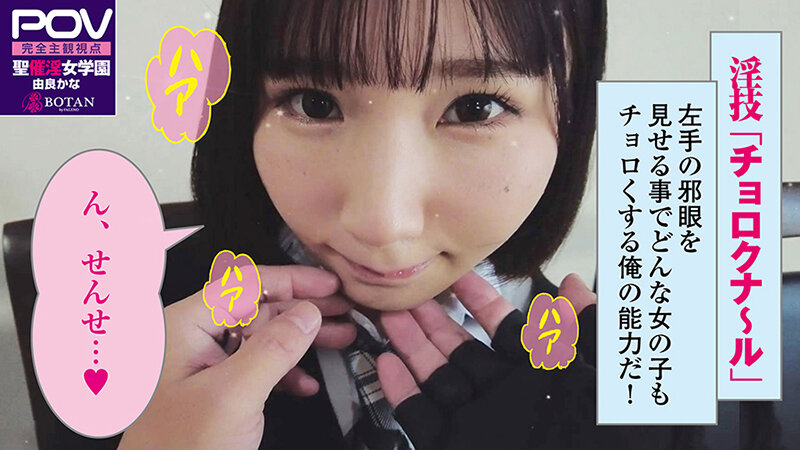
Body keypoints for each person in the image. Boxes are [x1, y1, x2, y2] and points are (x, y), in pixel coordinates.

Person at [122, 0, 681, 449]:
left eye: (475, 108)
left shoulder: (637, 384)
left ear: (571, 115)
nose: (383, 225)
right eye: (315, 104)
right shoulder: (125, 314)